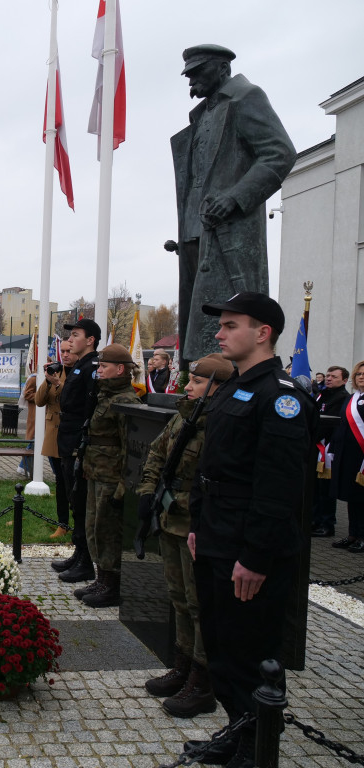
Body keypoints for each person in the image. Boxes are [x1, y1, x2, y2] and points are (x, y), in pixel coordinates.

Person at [184, 292, 313, 767]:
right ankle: (237, 731)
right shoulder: (238, 388)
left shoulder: (280, 396)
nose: (219, 333)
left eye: (230, 325)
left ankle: (256, 749)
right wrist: (198, 526)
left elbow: (279, 488)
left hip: (248, 550)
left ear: (263, 333)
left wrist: (256, 555)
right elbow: (211, 468)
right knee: (221, 651)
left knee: (248, 653)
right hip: (217, 538)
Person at [169, 45, 296, 365]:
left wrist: (235, 197)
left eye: (198, 73)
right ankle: (196, 376)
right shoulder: (201, 115)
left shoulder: (246, 98)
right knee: (199, 310)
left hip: (230, 228)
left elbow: (279, 153)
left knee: (232, 306)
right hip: (193, 228)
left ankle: (229, 372)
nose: (191, 82)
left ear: (222, 69)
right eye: (189, 75)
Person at [137, 353, 232, 718]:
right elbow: (156, 455)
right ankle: (182, 664)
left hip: (197, 525)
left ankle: (202, 681)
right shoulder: (183, 416)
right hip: (170, 517)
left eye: (195, 382)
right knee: (177, 597)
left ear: (215, 387)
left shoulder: (220, 424)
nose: (186, 386)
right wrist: (147, 493)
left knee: (199, 604)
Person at [72, 344, 141, 608]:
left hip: (111, 478)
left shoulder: (125, 400)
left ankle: (112, 584)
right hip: (95, 472)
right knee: (94, 528)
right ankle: (102, 578)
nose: (98, 370)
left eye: (103, 366)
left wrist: (123, 485)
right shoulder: (104, 396)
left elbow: (130, 448)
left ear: (120, 369)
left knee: (108, 531)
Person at [52, 319, 101, 584]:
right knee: (74, 499)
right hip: (67, 440)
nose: (70, 340)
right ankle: (78, 553)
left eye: (76, 335)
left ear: (90, 340)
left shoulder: (92, 367)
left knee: (80, 501)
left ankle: (85, 562)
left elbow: (89, 408)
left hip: (77, 443)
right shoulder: (80, 366)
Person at [329, 360, 364, 553]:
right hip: (347, 455)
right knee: (352, 496)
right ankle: (353, 533)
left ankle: (362, 536)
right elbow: (342, 425)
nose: (361, 377)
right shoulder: (351, 398)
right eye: (358, 374)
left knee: (362, 497)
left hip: (361, 456)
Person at [35, 352, 72, 538]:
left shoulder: (77, 372)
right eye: (63, 352)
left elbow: (74, 398)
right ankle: (62, 523)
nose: (65, 355)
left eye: (69, 351)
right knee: (60, 479)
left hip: (70, 432)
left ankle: (76, 523)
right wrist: (48, 380)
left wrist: (58, 383)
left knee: (72, 480)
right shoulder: (54, 373)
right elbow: (39, 401)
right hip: (53, 434)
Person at [312, 365, 350, 537]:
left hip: (328, 448)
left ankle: (327, 524)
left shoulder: (343, 398)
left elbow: (331, 423)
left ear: (344, 380)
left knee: (326, 489)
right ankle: (314, 520)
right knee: (315, 487)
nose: (328, 378)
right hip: (316, 446)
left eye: (334, 376)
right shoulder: (322, 395)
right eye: (327, 375)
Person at [17, 372, 37, 479]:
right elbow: (27, 394)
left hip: (43, 415)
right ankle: (23, 467)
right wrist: (41, 395)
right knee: (34, 441)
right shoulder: (34, 378)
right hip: (35, 414)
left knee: (37, 442)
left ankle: (23, 466)